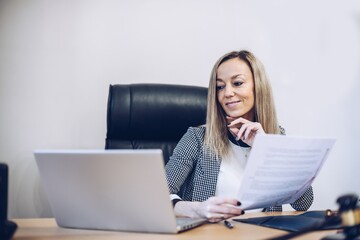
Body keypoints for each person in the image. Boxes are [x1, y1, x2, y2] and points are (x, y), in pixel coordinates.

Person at [165, 50, 314, 222]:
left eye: (237, 83)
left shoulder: (275, 136)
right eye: (220, 86)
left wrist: (266, 148)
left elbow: (304, 203)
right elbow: (159, 195)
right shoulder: (197, 138)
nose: (227, 93)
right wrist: (198, 209)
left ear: (258, 87)